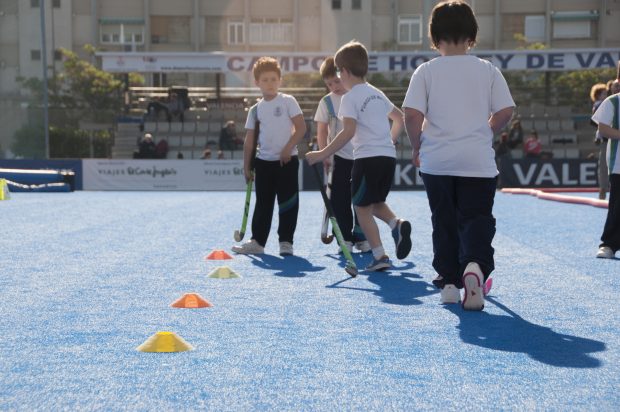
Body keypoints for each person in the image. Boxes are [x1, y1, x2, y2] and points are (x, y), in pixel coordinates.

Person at [403, 1, 514, 310]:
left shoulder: (425, 71)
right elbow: (506, 110)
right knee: (476, 218)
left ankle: (450, 283)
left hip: (437, 161)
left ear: (434, 36)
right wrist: (487, 130)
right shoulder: (487, 69)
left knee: (444, 221)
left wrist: (417, 146)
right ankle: (475, 267)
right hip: (477, 160)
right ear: (471, 36)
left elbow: (411, 115)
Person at [306, 41, 411, 271]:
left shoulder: (349, 98)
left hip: (366, 158)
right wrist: (389, 141)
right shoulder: (377, 93)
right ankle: (397, 224)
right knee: (374, 203)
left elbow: (348, 131)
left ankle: (380, 256)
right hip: (387, 158)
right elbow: (400, 118)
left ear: (343, 71)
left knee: (361, 209)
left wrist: (322, 153)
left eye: (338, 74)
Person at [232, 57, 307, 256]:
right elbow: (249, 141)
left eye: (274, 79)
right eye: (265, 80)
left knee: (288, 202)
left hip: (287, 161)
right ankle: (257, 242)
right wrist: (246, 166)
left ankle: (286, 242)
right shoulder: (255, 110)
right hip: (263, 163)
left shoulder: (288, 101)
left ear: (280, 80)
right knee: (263, 204)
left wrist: (287, 148)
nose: (270, 83)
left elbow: (301, 128)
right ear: (257, 83)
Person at [314, 56, 370, 254]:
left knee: (361, 198)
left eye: (336, 81)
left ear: (343, 75)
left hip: (362, 155)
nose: (334, 86)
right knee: (339, 199)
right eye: (329, 84)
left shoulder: (359, 95)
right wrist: (323, 154)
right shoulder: (327, 102)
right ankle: (345, 238)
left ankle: (362, 236)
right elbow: (321, 130)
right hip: (338, 158)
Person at [592, 64, 620, 259]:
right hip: (619, 164)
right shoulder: (613, 102)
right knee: (617, 205)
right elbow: (603, 129)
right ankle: (608, 244)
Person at [591, 83, 609, 199]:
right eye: (604, 94)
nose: (606, 95)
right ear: (598, 95)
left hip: (606, 137)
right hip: (606, 138)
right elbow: (597, 122)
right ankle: (602, 193)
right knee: (603, 169)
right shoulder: (599, 104)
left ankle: (603, 193)